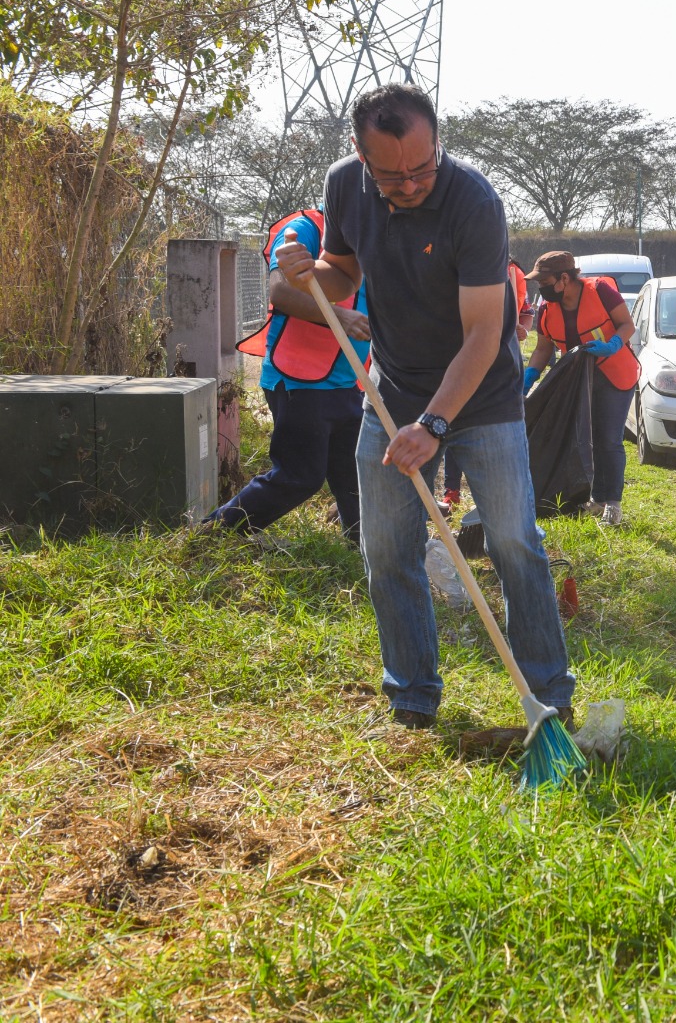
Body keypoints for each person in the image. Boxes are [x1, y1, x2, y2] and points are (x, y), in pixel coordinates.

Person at [274, 83, 575, 731]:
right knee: (386, 549)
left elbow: (482, 335)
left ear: (438, 143)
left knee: (514, 540)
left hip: (483, 398)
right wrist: (301, 269)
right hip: (393, 391)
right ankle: (412, 699)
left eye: (422, 167)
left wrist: (434, 424)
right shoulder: (345, 186)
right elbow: (340, 275)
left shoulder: (472, 203)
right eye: (392, 174)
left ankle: (551, 695)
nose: (410, 184)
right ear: (359, 154)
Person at [212, 207, 371, 542]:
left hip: (348, 379)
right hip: (301, 379)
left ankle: (368, 546)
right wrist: (339, 318)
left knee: (355, 472)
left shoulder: (375, 234)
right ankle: (214, 533)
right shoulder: (306, 229)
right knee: (300, 475)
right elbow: (281, 292)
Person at [524, 250, 640, 526]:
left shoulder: (600, 291)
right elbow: (543, 348)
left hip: (614, 374)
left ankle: (612, 503)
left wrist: (613, 345)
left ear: (564, 278)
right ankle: (596, 500)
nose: (541, 288)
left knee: (608, 438)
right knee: (584, 439)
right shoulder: (546, 308)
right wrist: (529, 375)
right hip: (577, 381)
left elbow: (627, 324)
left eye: (545, 282)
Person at [440, 259, 532, 513]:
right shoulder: (460, 269)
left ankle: (495, 500)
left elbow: (526, 312)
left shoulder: (514, 274)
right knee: (452, 423)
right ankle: (452, 490)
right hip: (461, 362)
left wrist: (521, 328)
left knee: (493, 434)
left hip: (498, 372)